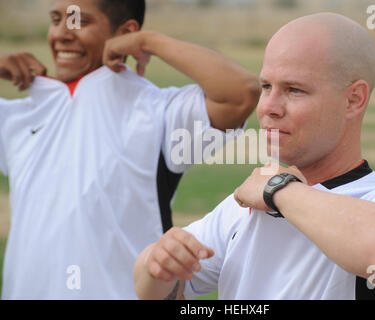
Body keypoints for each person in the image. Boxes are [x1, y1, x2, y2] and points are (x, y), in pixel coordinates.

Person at [134, 12, 375, 300]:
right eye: (266, 86)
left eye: (294, 90)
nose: (269, 106)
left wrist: (279, 189)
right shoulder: (243, 208)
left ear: (354, 99)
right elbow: (160, 290)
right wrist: (157, 264)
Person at [0, 0, 259, 299]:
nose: (61, 33)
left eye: (79, 21)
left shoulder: (161, 113)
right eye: (56, 19)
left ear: (126, 32)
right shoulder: (19, 117)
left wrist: (151, 42)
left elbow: (241, 93)